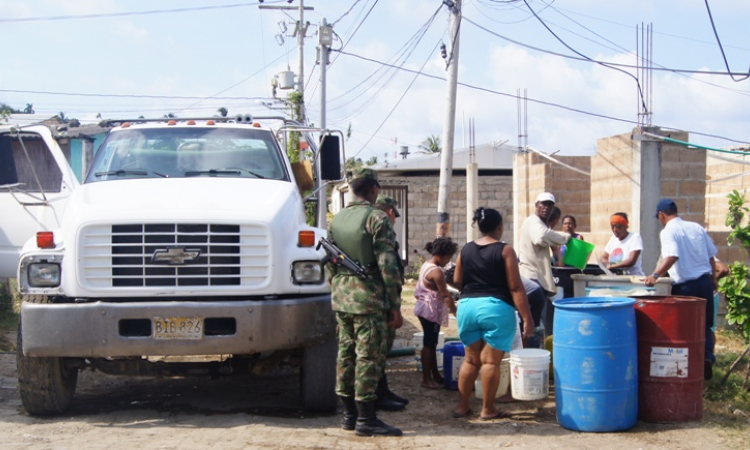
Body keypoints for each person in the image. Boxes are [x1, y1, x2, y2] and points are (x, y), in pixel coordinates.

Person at [326, 168, 403, 437]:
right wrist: (395, 304)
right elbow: (387, 264)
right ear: (374, 189)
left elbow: (330, 264)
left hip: (342, 298)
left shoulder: (337, 219)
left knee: (345, 356)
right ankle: (367, 420)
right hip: (369, 300)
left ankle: (349, 416)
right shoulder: (376, 218)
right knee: (368, 358)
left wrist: (337, 291)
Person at [451, 207, 535, 420]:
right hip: (496, 308)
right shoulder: (505, 250)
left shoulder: (466, 250)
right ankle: (488, 409)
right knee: (490, 362)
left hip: (467, 307)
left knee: (470, 361)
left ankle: (462, 407)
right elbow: (516, 287)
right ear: (499, 226)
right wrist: (527, 318)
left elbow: (457, 281)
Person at [644, 199, 718, 381]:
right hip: (704, 283)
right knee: (705, 325)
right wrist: (714, 279)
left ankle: (688, 367)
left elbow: (672, 256)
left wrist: (655, 275)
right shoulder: (696, 227)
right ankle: (706, 358)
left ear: (661, 215)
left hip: (685, 287)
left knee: (684, 328)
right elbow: (711, 256)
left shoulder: (668, 230)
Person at [372, 194, 409, 411]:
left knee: (382, 350)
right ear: (390, 212)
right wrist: (395, 306)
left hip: (382, 298)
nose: (394, 219)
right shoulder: (381, 229)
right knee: (378, 349)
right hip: (381, 299)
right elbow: (388, 268)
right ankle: (376, 396)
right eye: (394, 214)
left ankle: (383, 390)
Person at [518, 193, 570, 339]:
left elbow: (549, 242)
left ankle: (531, 352)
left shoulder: (542, 224)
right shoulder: (534, 222)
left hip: (537, 276)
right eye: (543, 204)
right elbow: (540, 237)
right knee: (534, 326)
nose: (546, 208)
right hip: (532, 277)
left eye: (550, 205)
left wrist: (559, 257)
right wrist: (566, 238)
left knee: (534, 325)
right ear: (536, 205)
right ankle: (529, 354)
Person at [414, 237, 459, 389]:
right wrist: (456, 312)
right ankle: (426, 379)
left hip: (425, 308)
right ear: (439, 254)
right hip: (430, 311)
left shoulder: (428, 264)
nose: (448, 261)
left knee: (432, 343)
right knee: (428, 344)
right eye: (448, 257)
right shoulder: (436, 272)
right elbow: (446, 295)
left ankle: (435, 375)